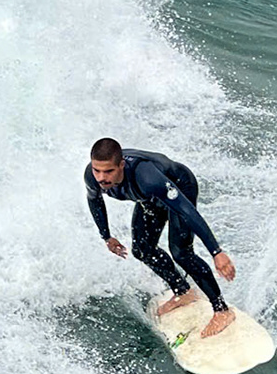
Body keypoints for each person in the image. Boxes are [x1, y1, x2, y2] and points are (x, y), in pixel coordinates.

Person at [84, 137, 239, 338]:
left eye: (109, 171)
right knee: (142, 250)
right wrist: (106, 236)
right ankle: (183, 291)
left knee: (181, 252)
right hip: (149, 198)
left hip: (179, 188)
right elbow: (94, 200)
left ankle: (222, 311)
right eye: (97, 170)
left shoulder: (147, 178)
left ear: (121, 165)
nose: (101, 177)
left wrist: (216, 252)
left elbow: (187, 212)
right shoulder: (92, 176)